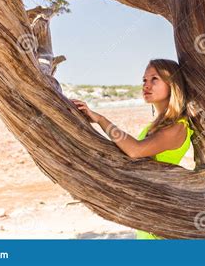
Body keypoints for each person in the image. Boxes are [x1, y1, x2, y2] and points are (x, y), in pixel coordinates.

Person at [71, 58, 194, 239]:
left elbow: (135, 150)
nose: (146, 85)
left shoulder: (178, 126)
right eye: (144, 80)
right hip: (148, 209)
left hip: (161, 211)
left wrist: (101, 120)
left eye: (154, 79)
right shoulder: (157, 125)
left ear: (172, 84)